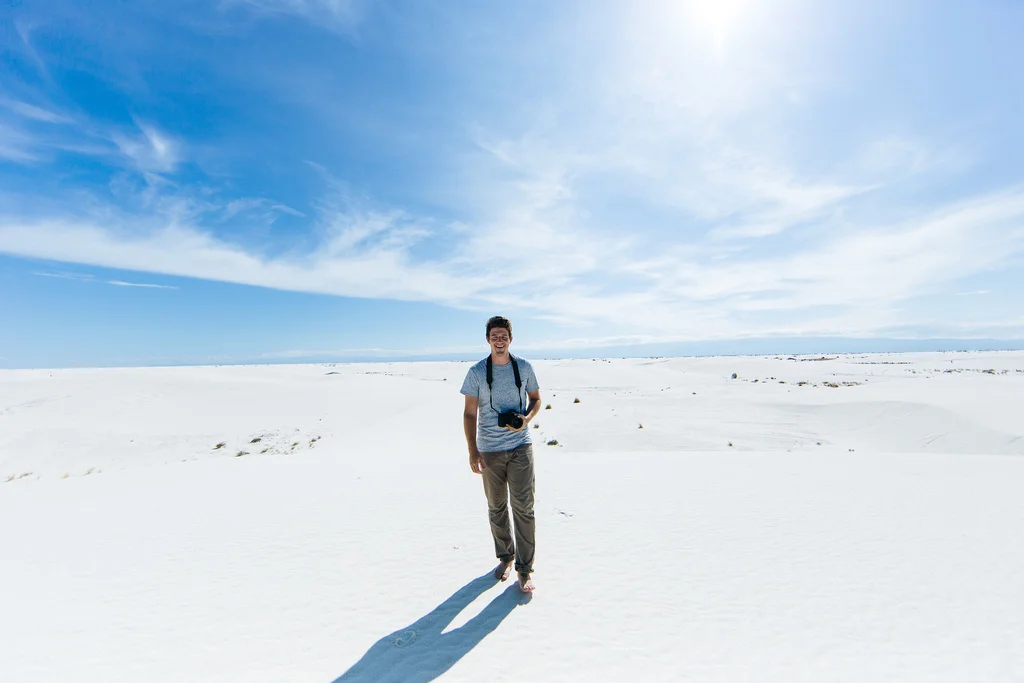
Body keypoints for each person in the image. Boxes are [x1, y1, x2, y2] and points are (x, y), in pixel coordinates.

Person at [461, 315, 542, 593]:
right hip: (490, 450)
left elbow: (536, 399)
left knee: (524, 508)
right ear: (487, 339)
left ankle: (525, 569)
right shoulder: (476, 373)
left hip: (521, 448)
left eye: (503, 335)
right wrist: (473, 450)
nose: (499, 340)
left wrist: (526, 419)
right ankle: (506, 557)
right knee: (496, 507)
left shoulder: (525, 367)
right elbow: (470, 412)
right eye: (494, 335)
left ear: (510, 338)